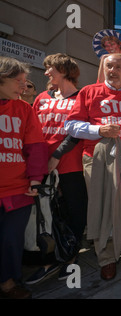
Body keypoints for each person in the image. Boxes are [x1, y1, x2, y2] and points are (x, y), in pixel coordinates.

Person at [64, 54, 121, 280]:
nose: (113, 70)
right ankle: (106, 257)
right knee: (102, 206)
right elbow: (71, 125)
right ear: (104, 69)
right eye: (109, 66)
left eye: (119, 67)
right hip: (97, 159)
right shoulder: (89, 92)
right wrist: (99, 131)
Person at [25, 53, 88, 284]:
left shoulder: (82, 97)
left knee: (74, 211)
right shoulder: (41, 97)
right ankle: (49, 258)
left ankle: (70, 257)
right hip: (41, 165)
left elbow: (77, 131)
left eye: (50, 68)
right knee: (45, 214)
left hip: (70, 165)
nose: (46, 73)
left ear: (63, 70)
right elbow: (32, 130)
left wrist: (57, 156)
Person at [0, 57, 48, 299]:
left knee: (11, 240)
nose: (23, 86)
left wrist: (35, 179)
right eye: (18, 81)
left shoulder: (24, 110)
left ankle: (8, 284)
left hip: (18, 190)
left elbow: (36, 148)